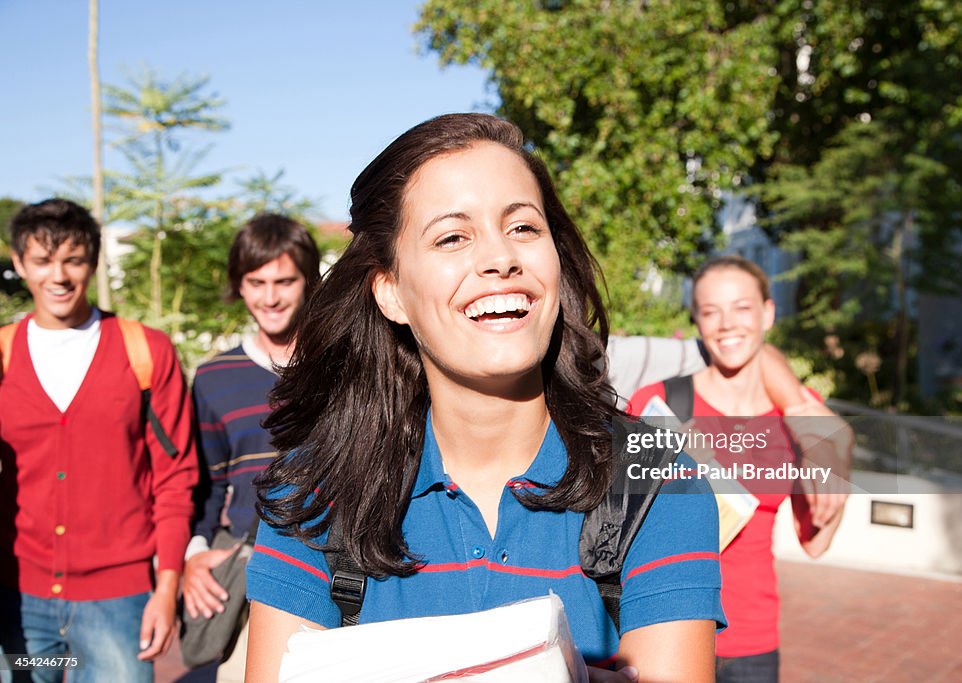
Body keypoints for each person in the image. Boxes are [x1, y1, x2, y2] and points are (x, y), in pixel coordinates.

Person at [244, 113, 726, 683]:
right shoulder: (314, 494)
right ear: (391, 292)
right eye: (452, 236)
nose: (501, 258)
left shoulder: (656, 481)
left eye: (523, 227)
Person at [0, 198, 198, 682]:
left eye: (73, 260)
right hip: (16, 596)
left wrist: (166, 587)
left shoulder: (145, 351)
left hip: (120, 600)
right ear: (20, 263)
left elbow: (174, 479)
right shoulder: (2, 355)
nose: (58, 276)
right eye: (43, 261)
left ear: (92, 262)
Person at [628, 255, 849, 683]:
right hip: (665, 635)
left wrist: (839, 460)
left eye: (742, 308)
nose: (727, 324)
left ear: (768, 313)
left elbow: (816, 542)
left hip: (752, 643)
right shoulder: (659, 405)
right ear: (697, 321)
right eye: (711, 311)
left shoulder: (798, 420)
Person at [183, 214, 320, 681]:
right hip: (247, 572)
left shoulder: (341, 365)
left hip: (335, 566)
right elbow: (205, 483)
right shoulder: (212, 378)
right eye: (256, 282)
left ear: (308, 280)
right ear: (239, 286)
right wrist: (194, 553)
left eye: (284, 281)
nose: (270, 297)